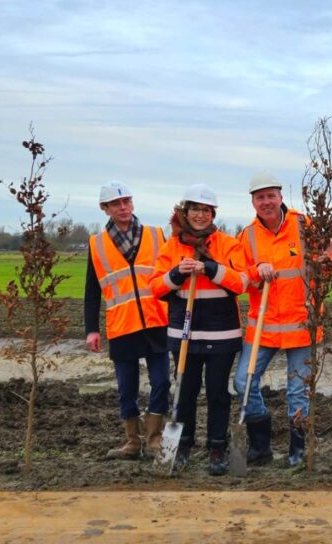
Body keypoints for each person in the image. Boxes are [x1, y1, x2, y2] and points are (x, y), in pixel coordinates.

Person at [234, 170, 332, 467]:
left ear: (281, 197)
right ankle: (261, 444)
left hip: (301, 325)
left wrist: (327, 263)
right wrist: (257, 271)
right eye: (260, 197)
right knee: (243, 381)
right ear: (253, 202)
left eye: (271, 196)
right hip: (264, 327)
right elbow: (239, 278)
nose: (266, 202)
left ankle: (297, 450)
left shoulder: (305, 225)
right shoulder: (247, 236)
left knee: (298, 391)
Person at [149, 184, 249, 476]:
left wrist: (209, 268)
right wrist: (177, 273)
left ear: (213, 214)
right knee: (185, 391)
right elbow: (156, 288)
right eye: (195, 209)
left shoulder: (228, 244)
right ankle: (182, 446)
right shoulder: (171, 247)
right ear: (186, 212)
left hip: (222, 335)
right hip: (184, 335)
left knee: (218, 393)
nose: (200, 215)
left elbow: (241, 282)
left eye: (206, 210)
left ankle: (217, 447)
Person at [84, 181, 171, 461]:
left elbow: (171, 277)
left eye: (127, 202)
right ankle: (132, 441)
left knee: (162, 382)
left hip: (157, 321)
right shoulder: (96, 244)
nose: (123, 207)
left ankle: (154, 439)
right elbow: (92, 290)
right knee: (127, 389)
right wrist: (91, 330)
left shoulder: (157, 235)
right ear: (105, 209)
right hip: (122, 325)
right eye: (116, 204)